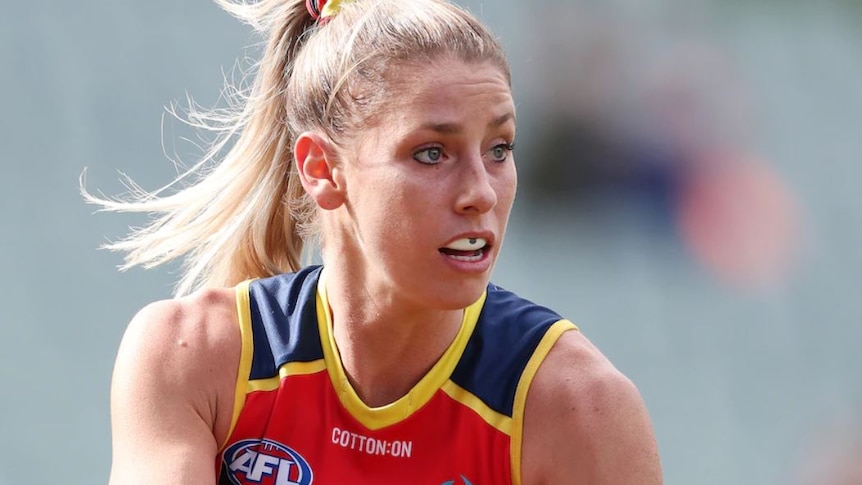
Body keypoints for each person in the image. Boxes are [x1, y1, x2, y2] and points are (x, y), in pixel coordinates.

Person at [87, 0, 663, 483]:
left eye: (500, 149)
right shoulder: (191, 357)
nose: (481, 193)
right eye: (431, 153)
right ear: (321, 169)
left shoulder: (577, 407)